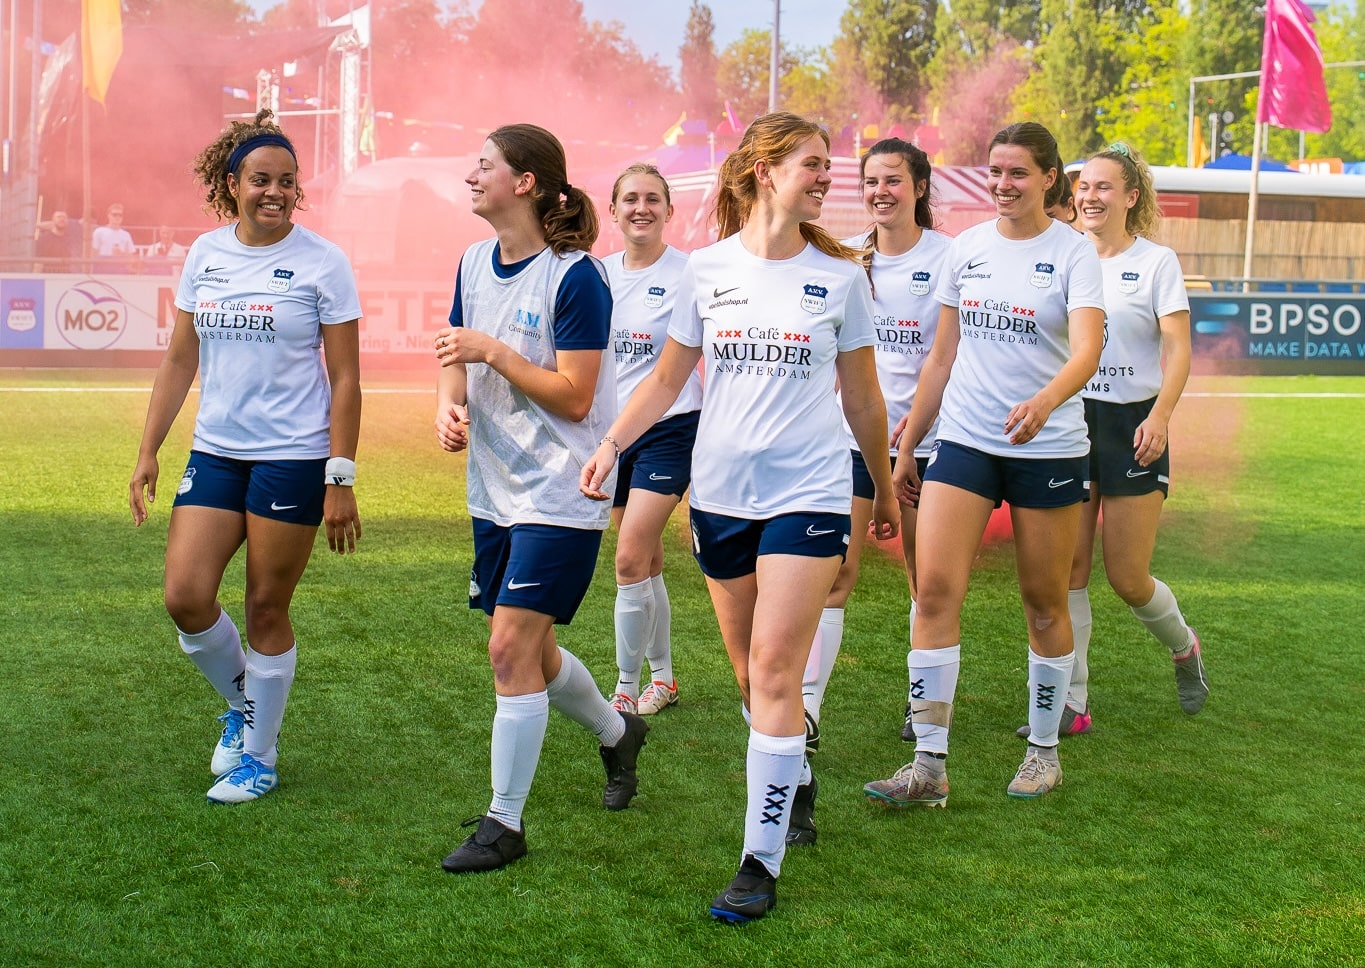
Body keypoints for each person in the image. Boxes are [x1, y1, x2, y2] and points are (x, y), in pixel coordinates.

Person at [582, 112, 897, 923]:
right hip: (718, 497)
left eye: (830, 166)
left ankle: (758, 862)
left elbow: (863, 396)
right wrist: (613, 445)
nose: (828, 178)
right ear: (762, 170)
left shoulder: (841, 278)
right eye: (813, 164)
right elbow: (662, 382)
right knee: (749, 684)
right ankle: (794, 781)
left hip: (810, 496)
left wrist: (885, 491)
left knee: (775, 674)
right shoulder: (707, 270)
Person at [863, 121, 1105, 808]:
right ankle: (927, 768)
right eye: (995, 171)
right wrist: (909, 449)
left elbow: (1085, 351)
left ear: (1048, 178)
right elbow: (940, 357)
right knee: (934, 593)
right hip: (964, 443)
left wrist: (1044, 401)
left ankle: (1042, 752)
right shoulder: (965, 249)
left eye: (1018, 173)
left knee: (1042, 602)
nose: (1003, 184)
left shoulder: (1072, 254)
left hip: (1048, 448)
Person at [128, 109, 363, 805]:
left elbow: (346, 377)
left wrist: (340, 476)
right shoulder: (205, 254)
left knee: (265, 604)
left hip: (293, 456)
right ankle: (244, 706)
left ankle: (259, 755)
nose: (276, 192)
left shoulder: (324, 262)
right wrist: (148, 451)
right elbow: (179, 357)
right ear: (232, 184)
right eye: (261, 180)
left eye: (288, 182)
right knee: (185, 595)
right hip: (217, 451)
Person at [432, 123, 649, 876]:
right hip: (492, 491)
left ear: (524, 182)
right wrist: (448, 404)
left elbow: (575, 393)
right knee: (536, 650)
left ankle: (505, 824)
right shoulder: (470, 260)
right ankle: (619, 734)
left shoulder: (575, 276)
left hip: (562, 489)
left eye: (484, 165)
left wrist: (494, 352)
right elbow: (453, 354)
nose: (471, 175)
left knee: (507, 649)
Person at [1017, 142, 1204, 737]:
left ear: (1130, 197)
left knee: (1127, 578)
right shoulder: (1063, 255)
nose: (1090, 196)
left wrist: (1162, 416)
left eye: (1104, 187)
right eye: (1083, 186)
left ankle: (1183, 646)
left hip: (1133, 425)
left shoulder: (1156, 263)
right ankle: (1073, 703)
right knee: (1067, 570)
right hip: (1072, 421)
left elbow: (1177, 349)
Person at [796, 138, 953, 844]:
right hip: (852, 441)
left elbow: (943, 361)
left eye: (893, 179)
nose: (880, 190)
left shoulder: (947, 257)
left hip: (922, 446)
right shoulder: (845, 257)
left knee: (925, 583)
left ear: (919, 185)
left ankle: (922, 722)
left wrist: (909, 445)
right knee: (837, 575)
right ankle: (804, 716)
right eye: (870, 181)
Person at [600, 164, 700, 718]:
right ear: (613, 210)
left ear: (669, 209)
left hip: (669, 429)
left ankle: (624, 688)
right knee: (648, 561)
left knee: (629, 558)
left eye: (653, 199)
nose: (642, 208)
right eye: (630, 199)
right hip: (613, 434)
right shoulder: (595, 273)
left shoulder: (692, 273)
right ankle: (664, 677)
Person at [92, 203, 137, 271]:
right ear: (108, 215)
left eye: (120, 215)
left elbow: (131, 257)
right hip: (102, 268)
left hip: (120, 270)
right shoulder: (99, 232)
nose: (117, 217)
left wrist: (122, 254)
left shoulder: (126, 235)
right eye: (114, 214)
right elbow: (93, 253)